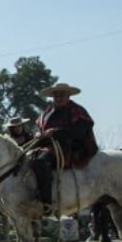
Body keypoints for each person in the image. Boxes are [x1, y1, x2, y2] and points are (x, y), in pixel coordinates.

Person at [29, 82, 98, 215]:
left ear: (68, 96)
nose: (58, 98)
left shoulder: (76, 110)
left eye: (62, 95)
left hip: (70, 147)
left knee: (40, 162)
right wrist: (38, 134)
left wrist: (56, 132)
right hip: (47, 145)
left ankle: (46, 203)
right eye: (56, 95)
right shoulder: (47, 111)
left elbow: (80, 131)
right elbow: (40, 129)